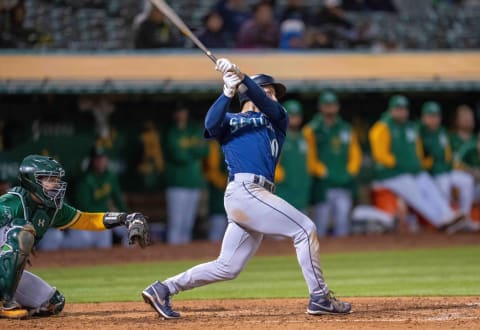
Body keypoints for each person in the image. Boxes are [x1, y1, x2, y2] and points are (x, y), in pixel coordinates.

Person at [141, 58, 351, 319]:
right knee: (305, 229)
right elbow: (210, 125)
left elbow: (263, 102)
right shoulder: (229, 121)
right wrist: (227, 92)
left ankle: (163, 288)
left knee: (228, 267)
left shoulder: (276, 119)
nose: (274, 96)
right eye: (270, 90)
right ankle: (320, 297)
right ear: (247, 93)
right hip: (244, 190)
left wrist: (241, 76)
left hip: (256, 194)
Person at [0, 155, 149, 319]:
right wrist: (11, 246)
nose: (56, 185)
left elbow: (87, 220)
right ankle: (6, 304)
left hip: (7, 274)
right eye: (50, 180)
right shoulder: (10, 203)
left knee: (53, 302)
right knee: (20, 233)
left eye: (57, 180)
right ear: (31, 181)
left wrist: (124, 218)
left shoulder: (51, 209)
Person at [368, 95, 463, 230]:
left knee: (430, 186)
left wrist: (417, 164)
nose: (401, 112)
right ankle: (439, 221)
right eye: (398, 109)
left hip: (412, 171)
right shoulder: (382, 127)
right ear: (391, 110)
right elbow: (380, 155)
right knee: (416, 193)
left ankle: (449, 215)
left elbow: (417, 151)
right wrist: (401, 163)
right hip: (391, 174)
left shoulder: (411, 127)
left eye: (403, 109)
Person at [303, 91, 362, 237]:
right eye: (326, 105)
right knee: (321, 224)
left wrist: (351, 171)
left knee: (343, 222)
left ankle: (344, 257)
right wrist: (322, 172)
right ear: (320, 107)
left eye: (332, 105)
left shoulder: (346, 128)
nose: (330, 109)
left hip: (344, 182)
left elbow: (355, 153)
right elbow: (309, 157)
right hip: (323, 185)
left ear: (337, 107)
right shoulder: (312, 129)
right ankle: (317, 258)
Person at [62, 146, 130, 249]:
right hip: (84, 223)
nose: (100, 161)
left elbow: (118, 200)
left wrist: (127, 216)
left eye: (102, 158)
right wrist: (107, 213)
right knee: (80, 246)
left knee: (131, 228)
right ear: (92, 161)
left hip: (101, 222)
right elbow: (84, 207)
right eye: (97, 159)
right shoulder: (85, 179)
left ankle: (130, 259)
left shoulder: (110, 176)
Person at [419, 101, 474, 221]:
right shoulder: (420, 132)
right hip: (432, 173)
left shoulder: (442, 131)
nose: (434, 119)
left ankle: (465, 217)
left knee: (467, 181)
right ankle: (445, 218)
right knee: (444, 185)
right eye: (431, 116)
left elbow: (448, 155)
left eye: (436, 116)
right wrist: (429, 165)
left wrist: (455, 166)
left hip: (446, 170)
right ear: (424, 117)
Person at [163, 105, 208, 244]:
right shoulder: (171, 132)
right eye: (179, 112)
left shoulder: (193, 130)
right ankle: (171, 257)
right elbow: (178, 155)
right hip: (177, 184)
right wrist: (194, 151)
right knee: (176, 224)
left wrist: (190, 151)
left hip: (193, 182)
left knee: (188, 224)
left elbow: (204, 150)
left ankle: (183, 257)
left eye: (184, 111)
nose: (182, 114)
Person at [274, 99, 311, 212]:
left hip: (301, 192)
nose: (295, 119)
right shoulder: (277, 135)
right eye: (291, 115)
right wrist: (280, 177)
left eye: (297, 115)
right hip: (283, 192)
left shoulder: (305, 136)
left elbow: (310, 161)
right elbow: (272, 163)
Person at [204, 140, 229, 241]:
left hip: (237, 195)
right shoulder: (215, 145)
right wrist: (225, 182)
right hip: (219, 195)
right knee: (216, 231)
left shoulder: (239, 142)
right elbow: (211, 172)